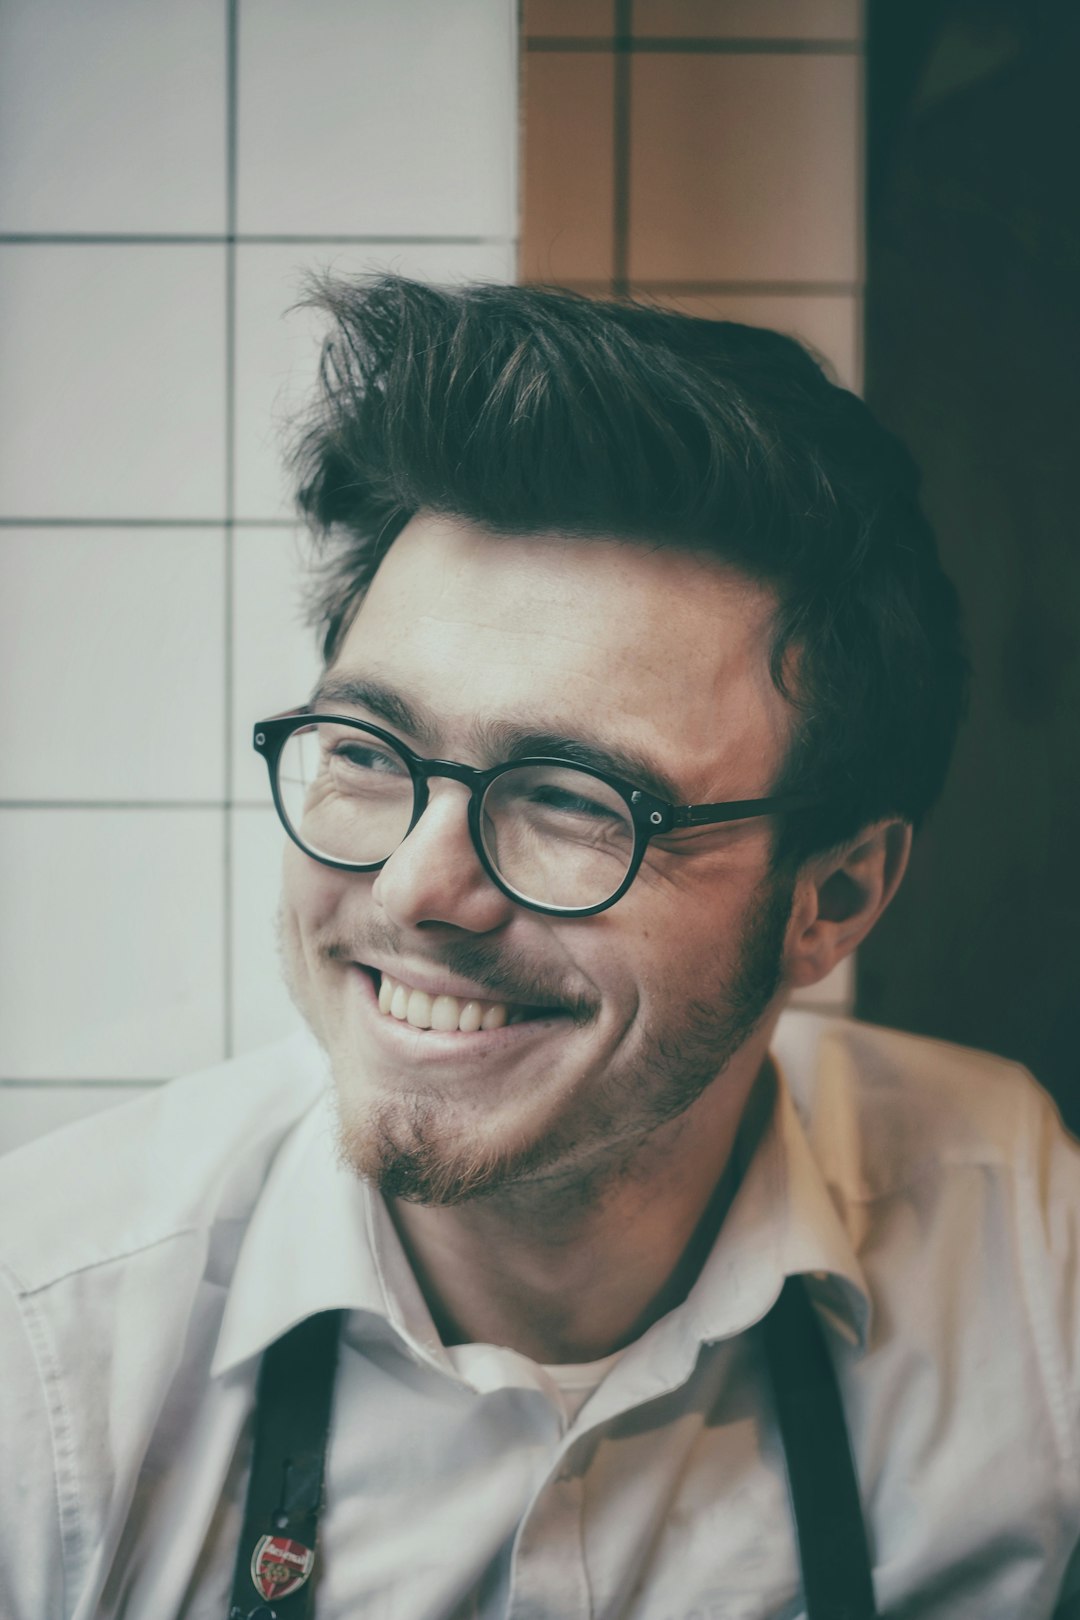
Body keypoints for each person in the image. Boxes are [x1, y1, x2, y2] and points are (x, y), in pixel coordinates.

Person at [1, 276, 1077, 1620]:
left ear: (836, 899)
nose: (414, 886)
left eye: (575, 800)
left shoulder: (1024, 1241)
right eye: (366, 752)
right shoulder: (43, 1348)